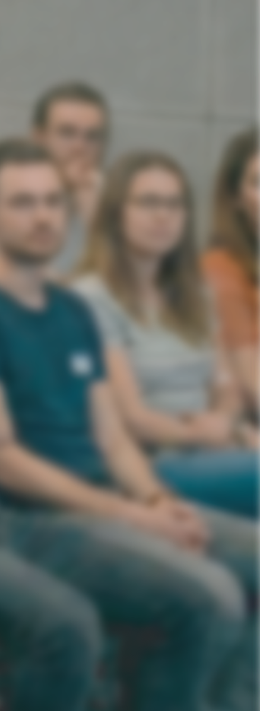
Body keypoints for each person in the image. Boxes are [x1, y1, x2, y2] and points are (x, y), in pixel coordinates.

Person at [0, 139, 260, 711]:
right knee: (210, 595)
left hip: (109, 497)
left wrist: (153, 502)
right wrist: (128, 515)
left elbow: (113, 439)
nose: (44, 217)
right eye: (23, 203)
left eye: (52, 201)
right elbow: (3, 462)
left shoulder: (71, 312)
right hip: (32, 518)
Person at [103, 143, 260, 521]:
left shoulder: (194, 293)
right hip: (153, 462)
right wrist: (217, 435)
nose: (163, 216)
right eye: (148, 203)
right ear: (115, 212)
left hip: (218, 447)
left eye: (175, 205)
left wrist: (226, 425)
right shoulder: (94, 296)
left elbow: (228, 390)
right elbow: (133, 418)